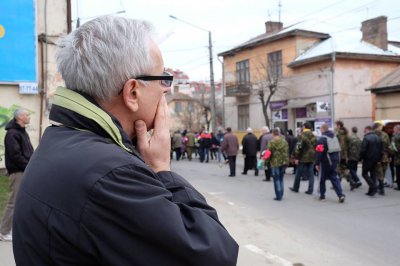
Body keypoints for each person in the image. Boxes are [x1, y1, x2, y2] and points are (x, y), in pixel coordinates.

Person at [12, 16, 238, 265]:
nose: (167, 90)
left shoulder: (62, 139)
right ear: (132, 93)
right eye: (163, 79)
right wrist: (162, 170)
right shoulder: (111, 174)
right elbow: (215, 256)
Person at [0, 109, 33, 242]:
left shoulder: (22, 132)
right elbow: (15, 156)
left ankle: (10, 228)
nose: (28, 117)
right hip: (18, 172)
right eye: (26, 115)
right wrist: (29, 165)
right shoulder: (12, 134)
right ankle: (3, 231)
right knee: (13, 201)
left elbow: (28, 152)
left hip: (24, 170)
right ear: (19, 118)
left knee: (20, 202)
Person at [315, 124, 346, 203]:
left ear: (322, 129)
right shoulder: (334, 137)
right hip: (334, 160)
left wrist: (317, 163)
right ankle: (340, 195)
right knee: (334, 177)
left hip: (325, 161)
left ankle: (322, 196)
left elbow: (319, 152)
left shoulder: (322, 139)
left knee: (322, 178)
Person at [290, 122, 317, 194]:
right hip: (312, 157)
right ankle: (310, 190)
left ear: (304, 127)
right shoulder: (313, 136)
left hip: (303, 157)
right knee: (311, 174)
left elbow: (298, 147)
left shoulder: (301, 136)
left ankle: (296, 188)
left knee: (298, 172)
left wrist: (296, 157)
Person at [359, 125, 383, 197]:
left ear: (367, 129)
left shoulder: (366, 138)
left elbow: (363, 150)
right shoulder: (378, 138)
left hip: (368, 158)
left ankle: (373, 187)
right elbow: (381, 150)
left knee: (364, 173)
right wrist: (379, 159)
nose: (363, 131)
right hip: (376, 159)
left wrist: (360, 158)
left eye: (364, 130)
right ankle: (371, 191)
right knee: (373, 174)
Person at [267, 129, 289, 201]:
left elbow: (268, 153)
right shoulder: (284, 142)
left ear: (273, 134)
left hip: (275, 163)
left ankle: (278, 196)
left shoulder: (271, 142)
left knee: (276, 179)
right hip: (283, 162)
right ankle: (281, 194)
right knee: (281, 178)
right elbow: (287, 152)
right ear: (279, 134)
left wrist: (265, 162)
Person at [373, 122, 390, 195]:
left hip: (380, 157)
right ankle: (381, 188)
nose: (381, 128)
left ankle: (381, 188)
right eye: (380, 127)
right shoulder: (384, 135)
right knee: (381, 172)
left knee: (380, 173)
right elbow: (388, 145)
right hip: (383, 156)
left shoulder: (374, 135)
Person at [390, 125, 400, 190]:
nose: (393, 130)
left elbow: (393, 147)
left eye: (394, 129)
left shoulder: (396, 136)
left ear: (397, 129)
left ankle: (399, 186)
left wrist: (391, 151)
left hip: (398, 157)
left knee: (398, 172)